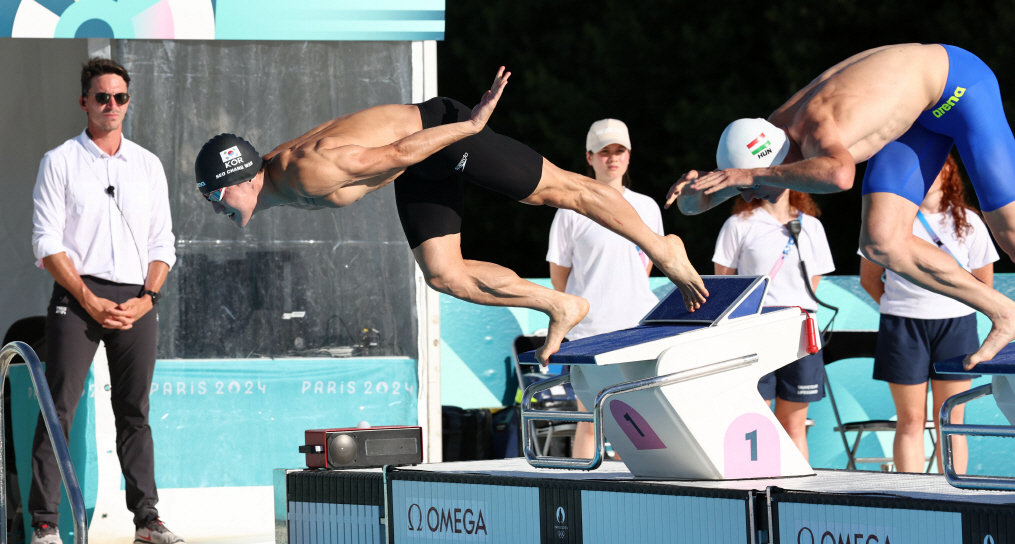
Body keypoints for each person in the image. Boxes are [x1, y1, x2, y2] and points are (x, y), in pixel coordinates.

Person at [192, 68, 707, 366]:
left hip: (435, 134)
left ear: (240, 181)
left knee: (558, 191)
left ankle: (665, 250)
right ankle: (561, 304)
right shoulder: (271, 178)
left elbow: (398, 152)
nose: (214, 208)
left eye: (215, 196)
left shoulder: (307, 172)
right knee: (444, 273)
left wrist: (471, 126)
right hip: (417, 162)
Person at [668, 43, 1015, 370]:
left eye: (753, 186)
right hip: (916, 119)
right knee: (881, 241)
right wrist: (691, 192)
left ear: (768, 164)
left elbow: (840, 175)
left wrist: (754, 174)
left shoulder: (815, 126)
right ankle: (1004, 312)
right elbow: (697, 205)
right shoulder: (769, 140)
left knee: (1008, 230)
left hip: (959, 86)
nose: (747, 197)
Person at [30, 58, 184, 544]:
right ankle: (45, 525)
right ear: (84, 102)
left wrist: (147, 299)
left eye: (120, 97)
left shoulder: (148, 164)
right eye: (102, 97)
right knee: (59, 408)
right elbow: (46, 242)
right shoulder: (60, 160)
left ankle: (147, 520)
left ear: (128, 101)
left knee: (134, 411)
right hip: (78, 295)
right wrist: (88, 298)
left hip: (137, 298)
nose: (111, 106)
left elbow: (164, 242)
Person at [859, 155, 997, 474]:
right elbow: (869, 278)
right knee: (910, 421)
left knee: (949, 420)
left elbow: (983, 283)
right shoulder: (889, 219)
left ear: (948, 171)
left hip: (957, 326)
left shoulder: (969, 221)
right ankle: (912, 497)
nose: (924, 174)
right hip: (903, 326)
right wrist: (902, 305)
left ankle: (956, 494)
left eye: (932, 165)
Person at [546, 119, 664, 458]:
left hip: (638, 327)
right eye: (604, 152)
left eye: (619, 151)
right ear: (589, 157)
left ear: (629, 156)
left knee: (641, 416)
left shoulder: (647, 207)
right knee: (590, 418)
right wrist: (582, 314)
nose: (612, 159)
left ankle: (641, 490)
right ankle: (582, 495)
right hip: (590, 331)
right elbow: (559, 275)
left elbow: (649, 261)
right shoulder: (570, 209)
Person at [713, 190, 834, 459]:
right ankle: (755, 490)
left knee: (795, 425)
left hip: (800, 328)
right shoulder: (739, 223)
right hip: (755, 328)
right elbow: (724, 281)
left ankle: (798, 495)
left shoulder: (812, 225)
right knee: (756, 420)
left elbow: (812, 282)